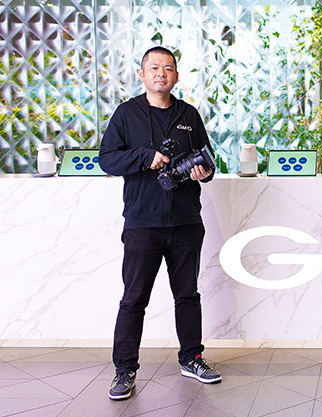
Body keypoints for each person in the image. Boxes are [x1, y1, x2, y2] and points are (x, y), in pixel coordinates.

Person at [99, 46, 221, 401]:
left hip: (185, 221)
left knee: (187, 295)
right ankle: (124, 369)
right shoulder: (127, 114)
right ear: (142, 74)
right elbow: (107, 160)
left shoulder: (189, 115)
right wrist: (144, 157)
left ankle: (191, 358)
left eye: (168, 68)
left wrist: (204, 172)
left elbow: (209, 163)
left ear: (176, 76)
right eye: (154, 68)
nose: (161, 74)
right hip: (142, 222)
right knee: (134, 299)